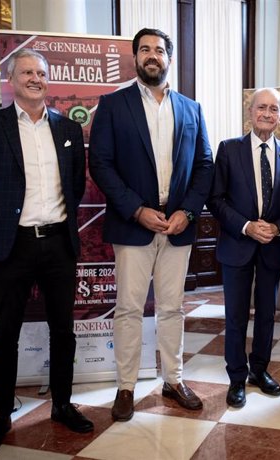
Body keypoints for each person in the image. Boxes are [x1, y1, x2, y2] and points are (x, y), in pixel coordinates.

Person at [0, 48, 93, 455]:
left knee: (63, 330)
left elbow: (75, 187)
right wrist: (4, 218)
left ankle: (61, 404)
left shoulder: (67, 130)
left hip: (58, 243)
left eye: (41, 72)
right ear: (12, 79)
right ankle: (1, 413)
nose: (35, 78)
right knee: (5, 333)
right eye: (27, 72)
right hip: (12, 245)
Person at [89, 28, 214, 420]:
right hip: (134, 224)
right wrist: (136, 210)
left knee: (173, 308)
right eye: (144, 50)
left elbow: (205, 166)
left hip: (177, 226)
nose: (152, 56)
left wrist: (188, 212)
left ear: (169, 58)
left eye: (159, 50)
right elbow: (101, 165)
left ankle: (173, 380)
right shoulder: (113, 105)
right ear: (135, 58)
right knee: (128, 308)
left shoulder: (191, 109)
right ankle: (125, 387)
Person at [208, 88, 280, 408]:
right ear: (250, 112)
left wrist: (277, 228)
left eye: (273, 109)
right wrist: (247, 226)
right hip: (237, 244)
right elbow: (216, 199)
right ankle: (237, 377)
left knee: (266, 314)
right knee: (235, 316)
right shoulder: (228, 149)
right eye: (261, 107)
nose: (266, 113)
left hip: (272, 247)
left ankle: (259, 370)